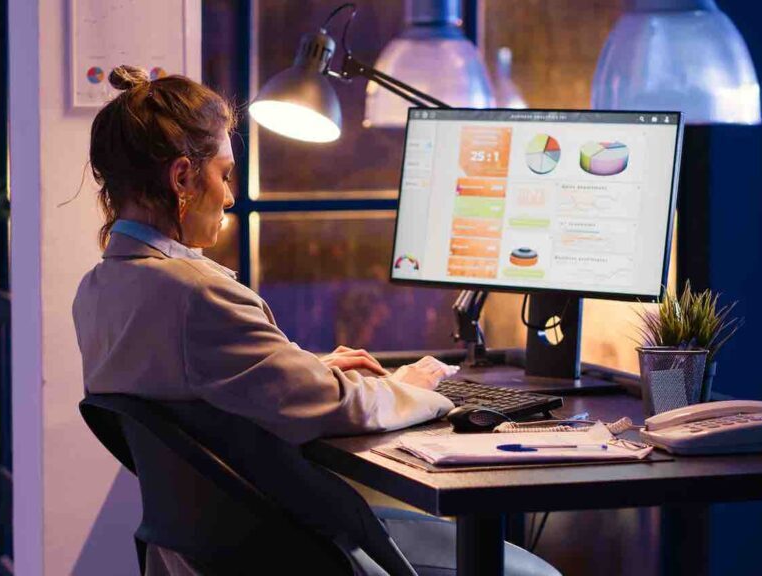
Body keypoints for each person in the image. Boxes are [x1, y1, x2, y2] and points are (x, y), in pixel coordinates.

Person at [74, 66, 560, 576]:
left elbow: (193, 385)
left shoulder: (97, 293)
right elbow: (335, 405)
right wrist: (415, 387)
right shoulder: (196, 295)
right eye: (224, 174)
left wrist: (302, 367)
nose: (231, 196)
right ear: (181, 178)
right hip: (299, 553)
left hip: (206, 555)